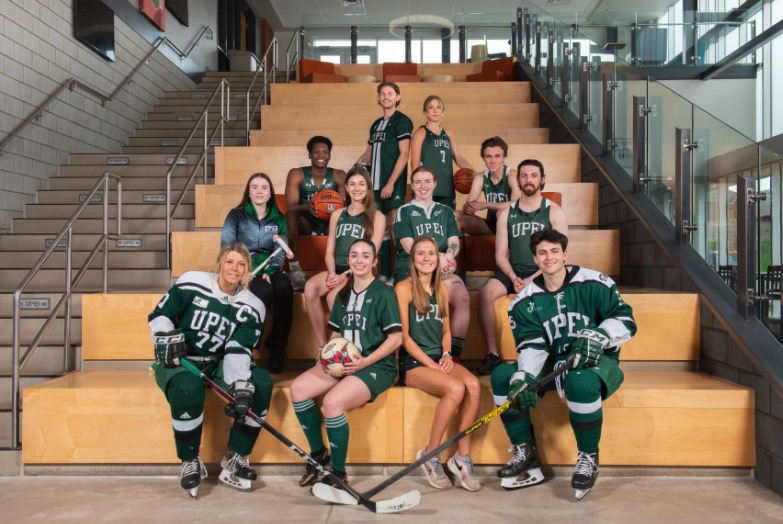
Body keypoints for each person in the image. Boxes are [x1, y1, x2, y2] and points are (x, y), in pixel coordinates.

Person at [490, 228, 636, 498]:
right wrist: (524, 376)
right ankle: (525, 452)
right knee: (502, 376)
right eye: (542, 253)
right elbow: (532, 346)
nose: (549, 257)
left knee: (578, 379)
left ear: (565, 254)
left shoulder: (595, 282)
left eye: (554, 251)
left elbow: (626, 321)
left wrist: (600, 335)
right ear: (535, 259)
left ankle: (588, 458)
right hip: (553, 361)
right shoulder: (523, 302)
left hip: (597, 361)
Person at [150, 242, 273, 496]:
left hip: (219, 362)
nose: (234, 268)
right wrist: (165, 338)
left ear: (247, 270)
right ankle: (189, 461)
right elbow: (160, 315)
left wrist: (238, 385)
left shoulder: (253, 306)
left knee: (258, 385)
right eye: (230, 262)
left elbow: (238, 348)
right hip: (181, 360)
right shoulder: (192, 282)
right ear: (220, 263)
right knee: (187, 388)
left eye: (241, 264)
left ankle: (236, 455)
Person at [289, 238, 402, 488]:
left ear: (374, 262)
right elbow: (337, 334)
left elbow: (396, 339)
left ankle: (339, 473)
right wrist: (328, 352)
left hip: (377, 366)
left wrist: (366, 362)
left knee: (331, 402)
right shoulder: (342, 294)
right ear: (348, 261)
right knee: (298, 389)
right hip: (344, 362)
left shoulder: (384, 294)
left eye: (365, 256)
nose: (359, 260)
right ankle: (318, 455)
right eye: (354, 255)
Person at [395, 236, 482, 491]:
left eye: (431, 253)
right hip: (413, 362)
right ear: (413, 259)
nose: (426, 258)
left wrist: (445, 354)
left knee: (473, 385)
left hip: (437, 357)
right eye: (420, 253)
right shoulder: (403, 288)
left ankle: (461, 458)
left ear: (439, 257)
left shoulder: (443, 289)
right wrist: (431, 365)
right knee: (455, 389)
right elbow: (404, 337)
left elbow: (446, 331)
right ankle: (431, 454)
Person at [476, 159, 568, 376]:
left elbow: (558, 257)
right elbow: (500, 254)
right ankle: (492, 354)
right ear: (518, 181)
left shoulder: (554, 212)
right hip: (513, 272)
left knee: (557, 293)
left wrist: (532, 278)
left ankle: (555, 353)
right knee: (485, 292)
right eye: (524, 176)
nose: (529, 180)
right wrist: (513, 276)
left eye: (534, 175)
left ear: (542, 179)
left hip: (543, 272)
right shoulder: (506, 213)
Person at [303, 166, 386, 350]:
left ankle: (349, 347)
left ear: (368, 187)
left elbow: (371, 255)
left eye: (362, 184)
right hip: (337, 270)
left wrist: (345, 276)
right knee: (310, 288)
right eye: (352, 184)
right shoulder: (337, 215)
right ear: (346, 188)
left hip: (360, 273)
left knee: (334, 297)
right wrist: (332, 272)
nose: (357, 189)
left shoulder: (377, 217)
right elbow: (329, 251)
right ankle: (323, 348)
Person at [394, 166, 469, 360]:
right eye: (417, 182)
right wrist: (437, 257)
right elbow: (410, 246)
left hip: (443, 267)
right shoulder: (404, 212)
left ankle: (453, 354)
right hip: (413, 270)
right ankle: (412, 354)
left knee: (462, 298)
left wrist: (448, 257)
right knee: (419, 303)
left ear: (435, 184)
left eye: (427, 181)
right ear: (413, 186)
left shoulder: (446, 212)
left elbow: (454, 242)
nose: (423, 186)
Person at [222, 173, 293, 374]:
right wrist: (243, 270)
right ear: (249, 192)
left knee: (284, 288)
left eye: (264, 187)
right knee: (264, 291)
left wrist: (270, 270)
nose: (259, 191)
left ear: (270, 193)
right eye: (255, 187)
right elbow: (227, 247)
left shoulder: (279, 218)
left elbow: (281, 249)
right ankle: (248, 348)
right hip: (244, 269)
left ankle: (277, 347)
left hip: (271, 267)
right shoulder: (236, 215)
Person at [354, 82, 413, 283]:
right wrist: (355, 169)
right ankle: (386, 273)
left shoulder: (402, 121)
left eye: (390, 93)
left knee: (396, 226)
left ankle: (402, 273)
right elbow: (369, 153)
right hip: (375, 186)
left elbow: (405, 154)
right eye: (382, 93)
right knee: (381, 229)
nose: (386, 96)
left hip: (392, 184)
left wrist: (390, 183)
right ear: (378, 98)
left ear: (398, 97)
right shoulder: (375, 125)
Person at [285, 136, 347, 291]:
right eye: (316, 152)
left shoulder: (338, 175)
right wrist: (307, 207)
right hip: (306, 222)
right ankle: (294, 269)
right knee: (290, 217)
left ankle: (342, 269)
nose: (321, 155)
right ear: (310, 154)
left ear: (330, 155)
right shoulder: (297, 174)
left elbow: (345, 205)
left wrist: (331, 209)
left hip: (329, 223)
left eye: (325, 152)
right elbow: (290, 207)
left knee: (346, 218)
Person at [410, 95, 476, 210]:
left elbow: (459, 158)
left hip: (447, 189)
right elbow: (414, 164)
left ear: (443, 112)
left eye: (438, 107)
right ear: (425, 112)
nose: (435, 110)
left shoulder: (448, 133)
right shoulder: (420, 133)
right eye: (431, 107)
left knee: (446, 225)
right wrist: (420, 187)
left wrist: (475, 174)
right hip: (426, 190)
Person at [456, 136, 521, 235]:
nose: (493, 161)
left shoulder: (512, 175)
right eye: (488, 156)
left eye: (497, 156)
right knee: (456, 215)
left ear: (504, 157)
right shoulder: (480, 177)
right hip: (492, 225)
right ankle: (456, 250)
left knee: (503, 213)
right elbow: (469, 208)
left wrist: (486, 205)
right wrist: (468, 207)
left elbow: (516, 206)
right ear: (483, 158)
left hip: (513, 226)